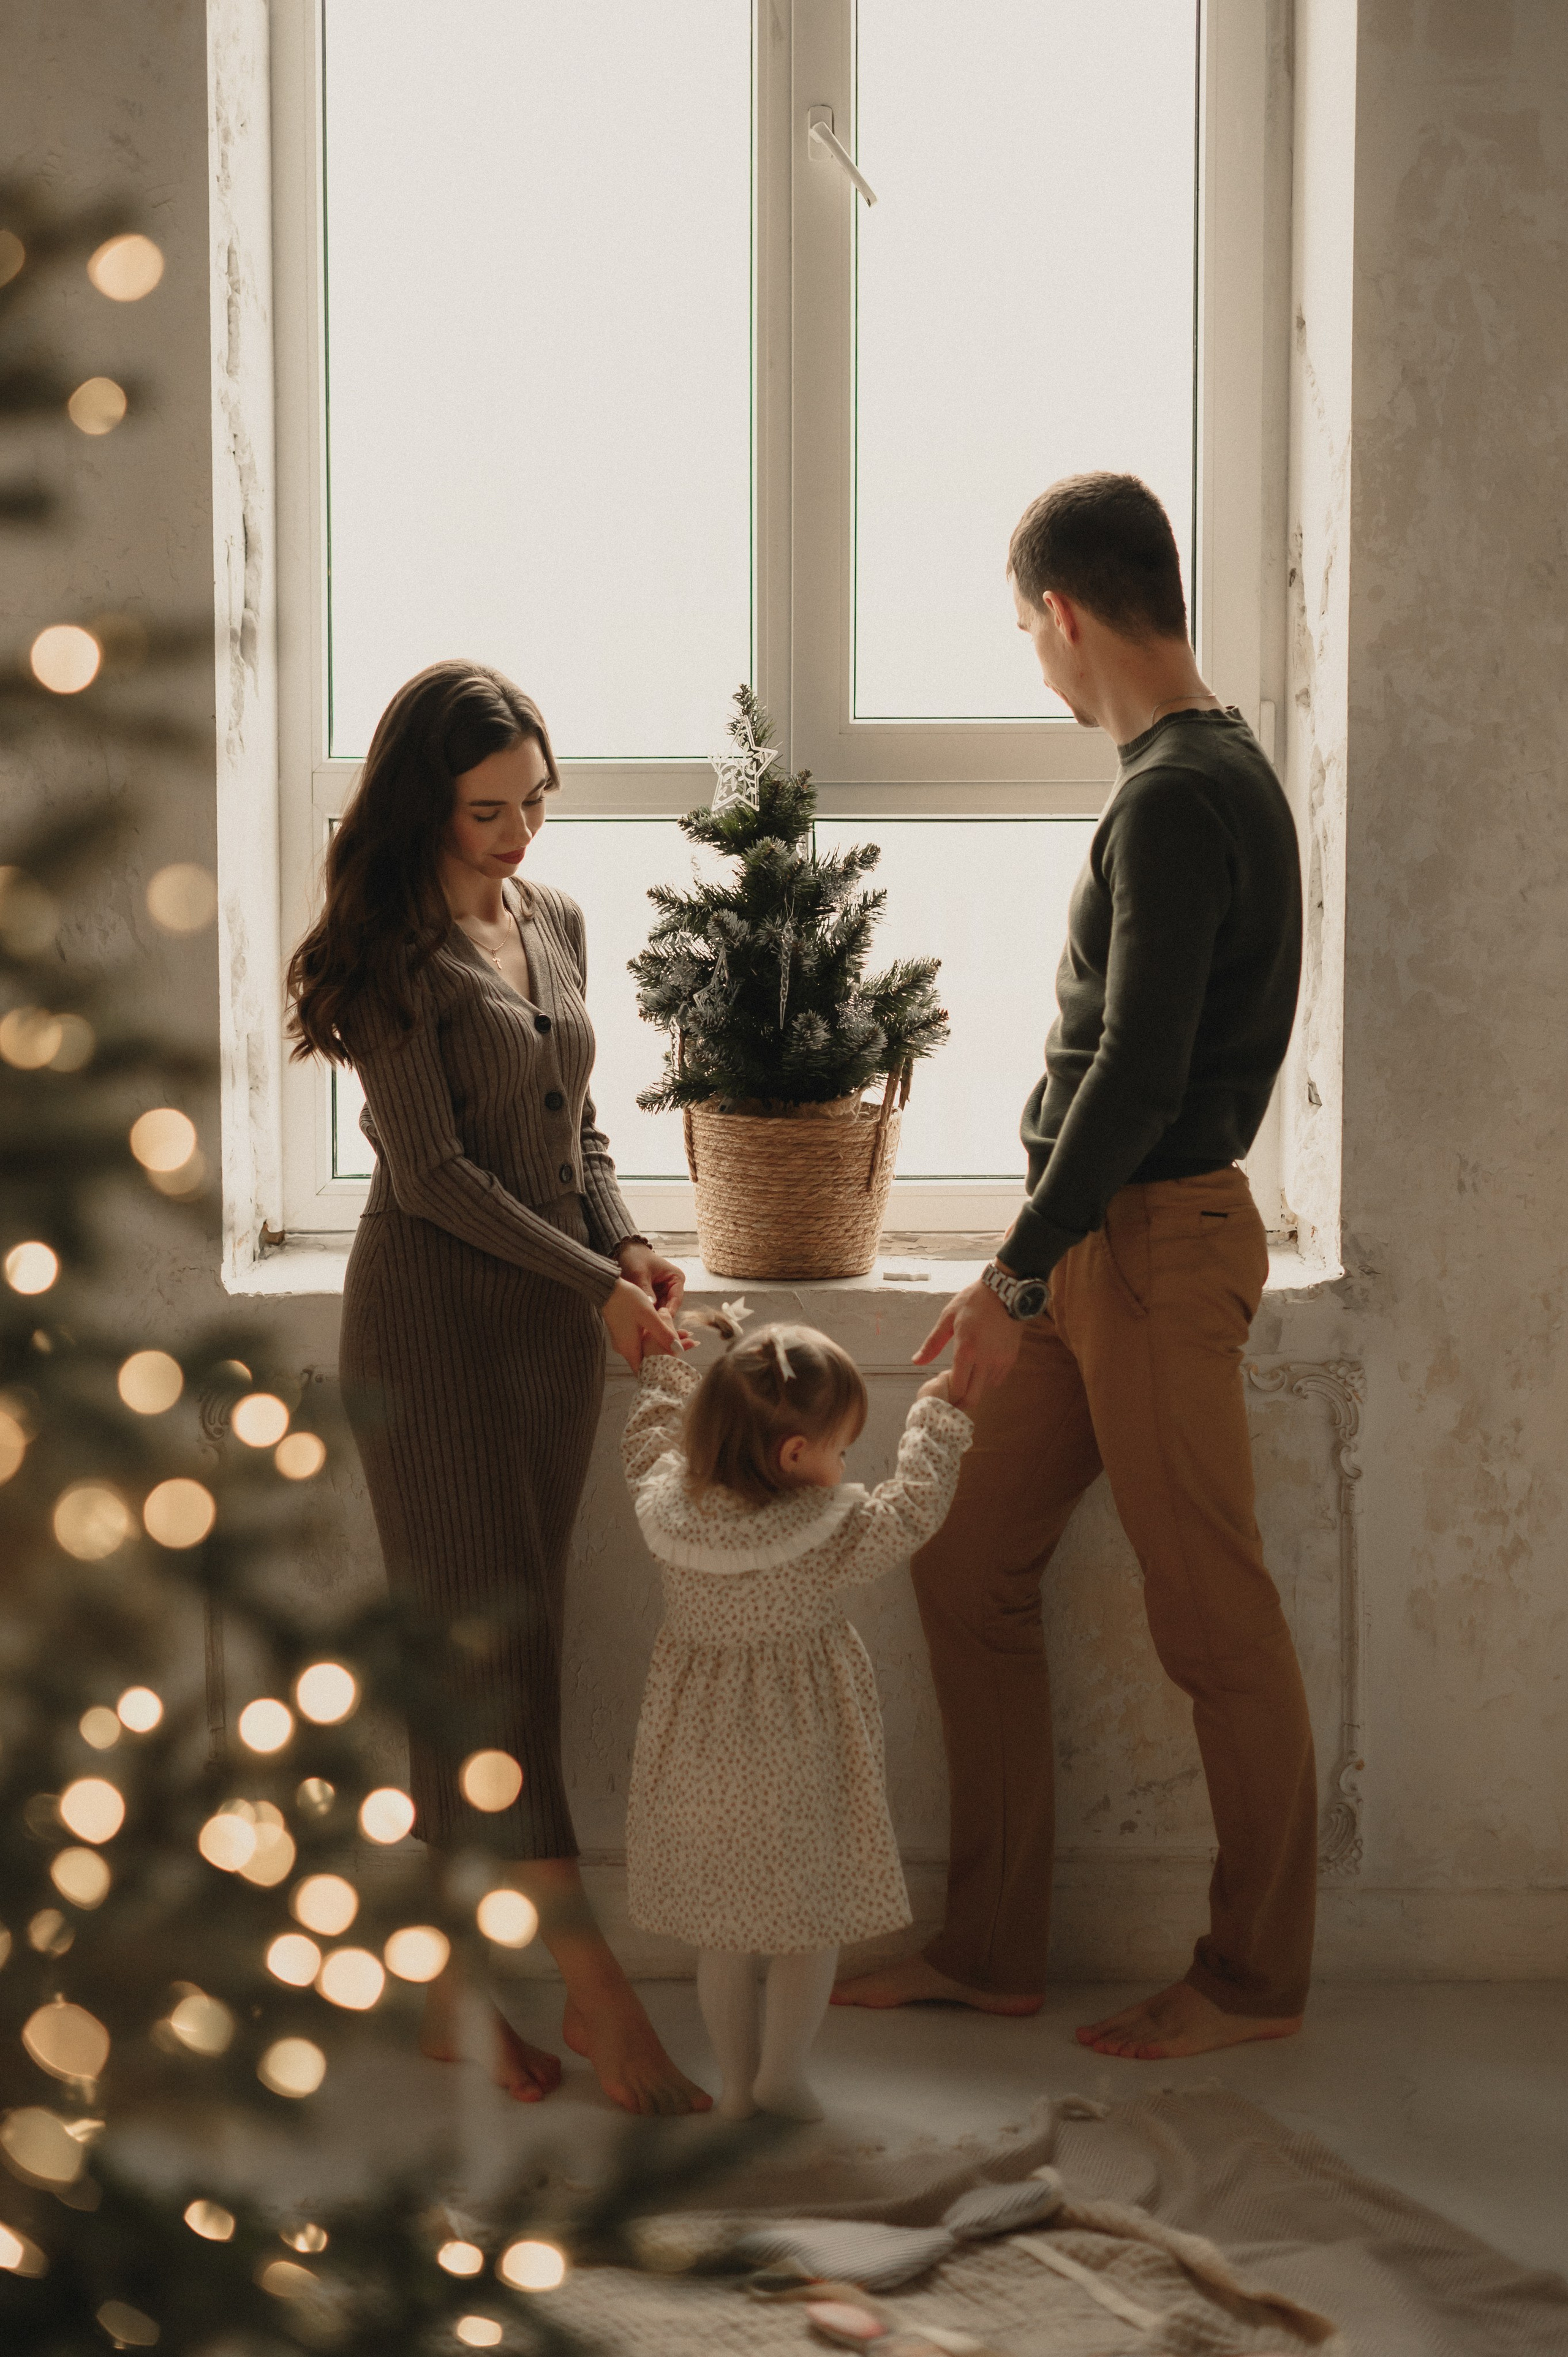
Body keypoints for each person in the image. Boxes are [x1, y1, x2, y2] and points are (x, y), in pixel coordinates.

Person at [834, 473, 1317, 2061]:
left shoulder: (1179, 794)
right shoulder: (1189, 775)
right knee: (968, 1555)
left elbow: (1137, 1067)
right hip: (1098, 1250)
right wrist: (1043, 1275)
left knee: (1214, 1624)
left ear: (1061, 612)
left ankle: (1252, 1981)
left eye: (1023, 631)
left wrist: (1007, 1268)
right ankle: (991, 1948)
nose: (1031, 665)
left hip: (1157, 1246)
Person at [287, 659, 709, 2115]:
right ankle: (599, 2006)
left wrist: (634, 1244)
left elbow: (570, 1126)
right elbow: (437, 1178)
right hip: (432, 1343)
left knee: (488, 1676)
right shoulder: (390, 957)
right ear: (424, 804)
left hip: (546, 1345)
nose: (520, 833)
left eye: (536, 803)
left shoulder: (556, 920)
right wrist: (589, 1280)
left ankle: (449, 1997)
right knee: (494, 1686)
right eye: (487, 811)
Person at [621, 1314, 973, 2119]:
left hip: (700, 1752)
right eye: (840, 1448)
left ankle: (738, 2091)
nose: (843, 1465)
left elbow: (645, 1441)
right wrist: (938, 1416)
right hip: (800, 1747)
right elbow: (914, 1510)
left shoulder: (668, 1507)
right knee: (807, 1926)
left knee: (724, 1934)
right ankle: (783, 2077)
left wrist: (665, 1370)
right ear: (794, 1455)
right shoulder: (824, 1533)